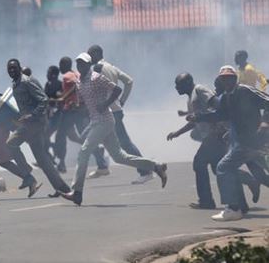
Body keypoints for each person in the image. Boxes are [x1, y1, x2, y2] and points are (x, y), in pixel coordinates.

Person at [59, 54, 167, 206]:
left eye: (83, 63)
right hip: (96, 121)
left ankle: (77, 193)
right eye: (78, 63)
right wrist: (74, 107)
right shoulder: (79, 83)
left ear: (89, 64)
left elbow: (117, 89)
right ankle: (156, 166)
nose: (80, 66)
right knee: (119, 157)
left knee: (84, 152)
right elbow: (84, 103)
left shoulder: (96, 77)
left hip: (105, 121)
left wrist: (105, 104)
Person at [167, 73, 259, 210]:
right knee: (221, 169)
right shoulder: (191, 98)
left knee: (199, 162)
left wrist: (222, 125)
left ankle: (207, 201)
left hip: (215, 134)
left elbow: (217, 105)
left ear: (187, 83)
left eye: (178, 84)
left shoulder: (199, 90)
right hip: (213, 135)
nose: (176, 87)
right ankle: (244, 196)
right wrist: (178, 133)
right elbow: (196, 121)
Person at [189, 66, 269, 221]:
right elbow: (220, 114)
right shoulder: (227, 97)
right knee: (257, 172)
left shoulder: (245, 90)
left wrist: (265, 122)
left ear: (235, 78)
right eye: (223, 78)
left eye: (229, 78)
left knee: (223, 167)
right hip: (242, 141)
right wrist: (198, 117)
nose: (226, 81)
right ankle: (238, 207)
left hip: (254, 139)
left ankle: (233, 208)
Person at [5, 59, 72, 196]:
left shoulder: (26, 82)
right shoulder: (16, 84)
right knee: (42, 159)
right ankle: (63, 189)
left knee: (10, 143)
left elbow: (43, 100)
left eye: (14, 68)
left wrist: (31, 115)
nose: (11, 71)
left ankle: (27, 173)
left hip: (34, 124)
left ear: (19, 68)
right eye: (9, 69)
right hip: (30, 123)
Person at [87, 44, 152, 184]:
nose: (88, 58)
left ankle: (146, 170)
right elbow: (129, 81)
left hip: (109, 111)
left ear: (97, 54)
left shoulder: (97, 69)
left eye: (90, 54)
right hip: (115, 110)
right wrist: (122, 101)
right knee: (100, 138)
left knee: (125, 143)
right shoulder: (111, 67)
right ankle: (102, 165)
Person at [53, 57, 109, 175]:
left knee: (61, 135)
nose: (60, 67)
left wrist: (64, 97)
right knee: (79, 137)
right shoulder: (77, 73)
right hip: (79, 110)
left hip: (71, 110)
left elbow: (75, 85)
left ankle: (61, 163)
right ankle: (101, 160)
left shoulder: (67, 76)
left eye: (61, 65)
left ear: (65, 65)